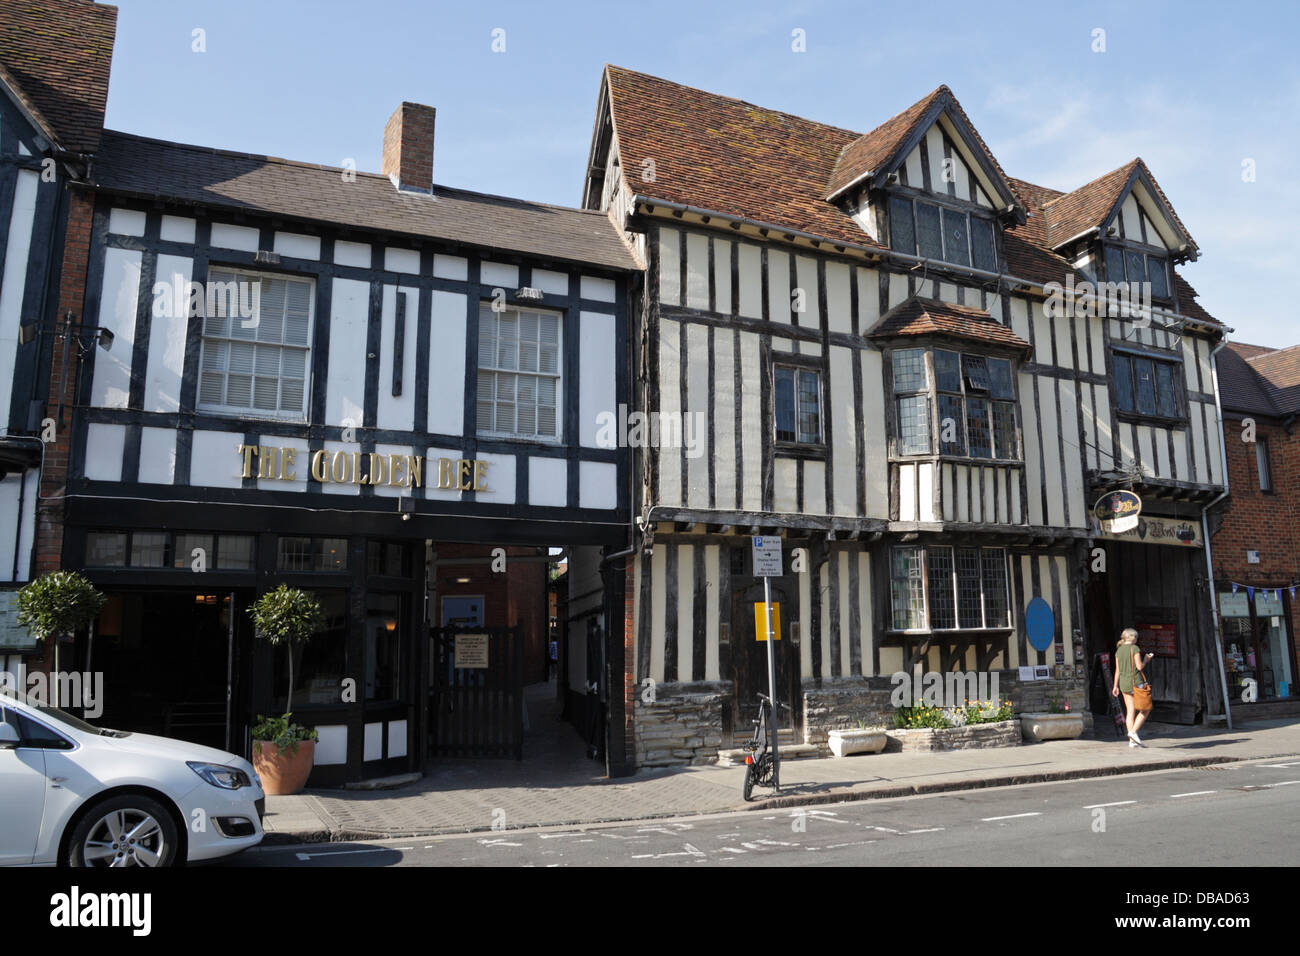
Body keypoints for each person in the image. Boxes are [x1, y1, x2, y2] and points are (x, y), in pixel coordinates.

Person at [1111, 627, 1154, 747]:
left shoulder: (1118, 651)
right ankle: (1133, 733)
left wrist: (1115, 686)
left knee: (1130, 711)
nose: (1136, 639)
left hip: (1123, 684)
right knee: (1146, 709)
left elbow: (1117, 670)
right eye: (1136, 637)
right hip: (1136, 683)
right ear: (1133, 638)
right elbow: (1139, 667)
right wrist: (1146, 660)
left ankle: (1132, 741)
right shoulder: (1134, 648)